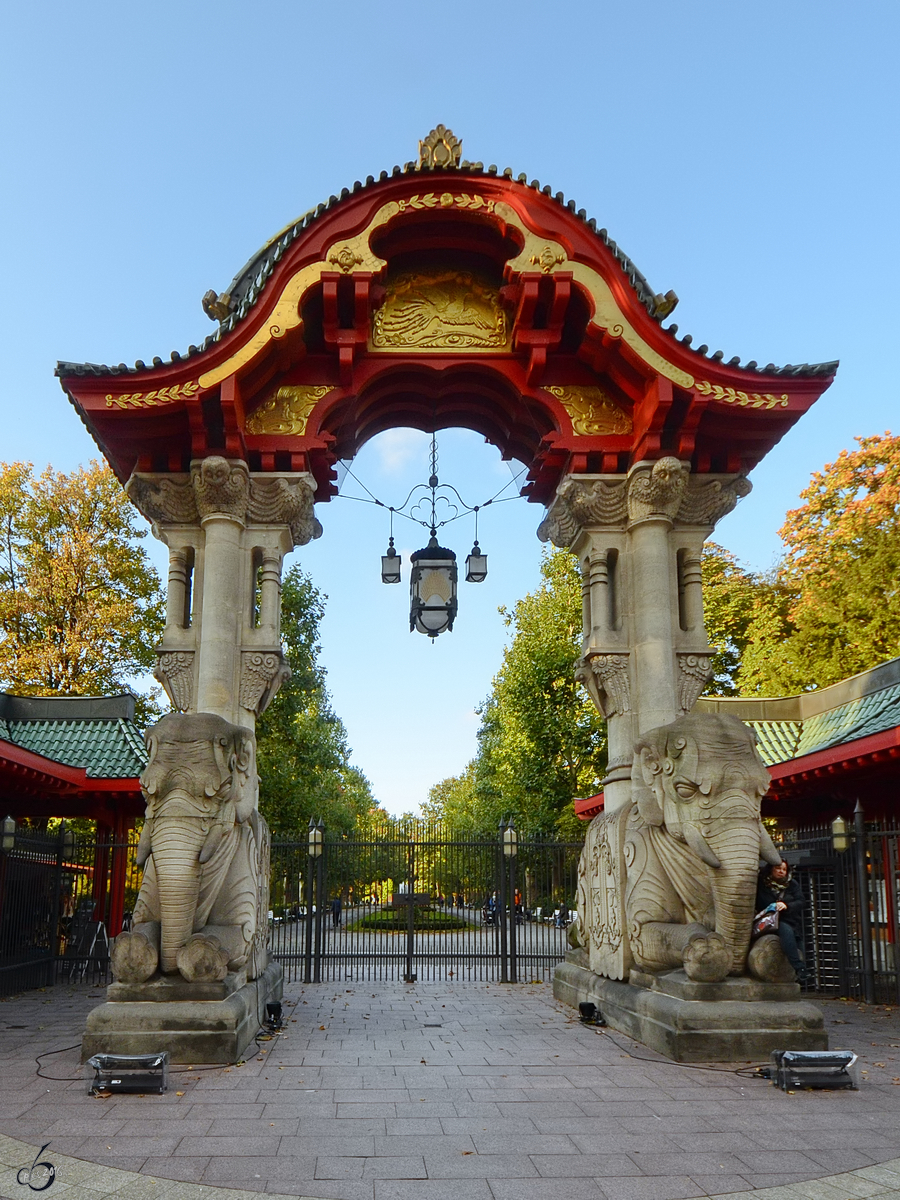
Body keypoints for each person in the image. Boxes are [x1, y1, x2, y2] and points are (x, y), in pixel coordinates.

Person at [756, 860, 805, 982]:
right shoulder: (761, 884)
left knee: (798, 945)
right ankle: (800, 968)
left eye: (784, 869)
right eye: (778, 868)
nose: (781, 871)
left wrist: (786, 905)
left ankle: (801, 972)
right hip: (770, 922)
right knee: (785, 931)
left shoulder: (792, 884)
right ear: (771, 869)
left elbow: (801, 901)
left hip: (790, 920)